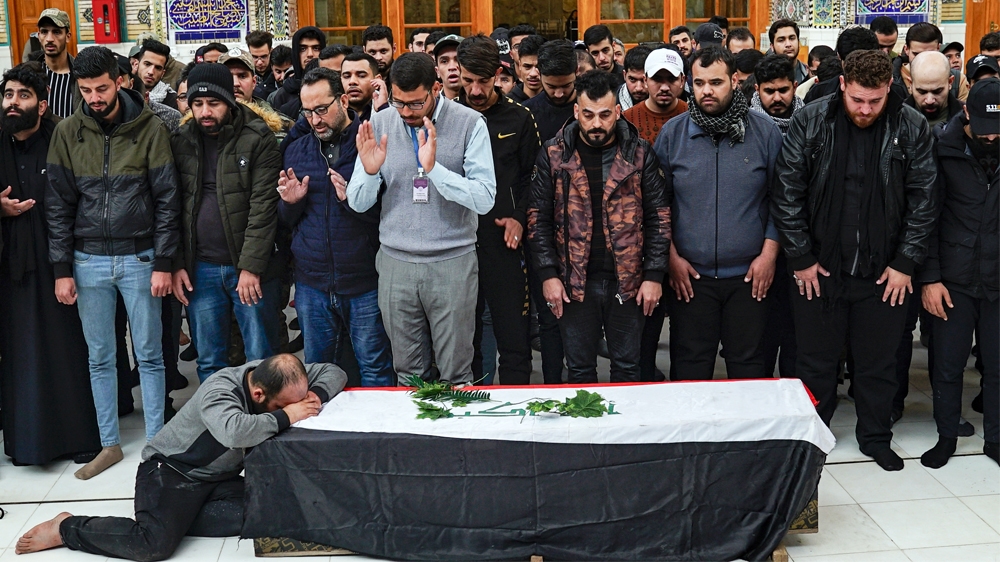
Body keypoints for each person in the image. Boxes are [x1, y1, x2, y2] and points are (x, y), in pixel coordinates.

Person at [772, 50, 937, 472]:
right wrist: (801, 257)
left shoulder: (910, 124)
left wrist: (904, 263)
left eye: (875, 101)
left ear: (889, 91)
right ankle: (813, 436)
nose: (865, 110)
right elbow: (787, 190)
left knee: (878, 363)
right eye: (858, 99)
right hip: (818, 268)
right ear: (843, 84)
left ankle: (876, 437)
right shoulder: (811, 120)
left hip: (884, 271)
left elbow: (924, 201)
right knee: (814, 362)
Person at [14, 354, 347, 561]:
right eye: (280, 405)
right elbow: (234, 431)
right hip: (170, 472)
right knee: (153, 545)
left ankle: (176, 520)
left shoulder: (275, 376)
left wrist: (312, 399)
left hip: (217, 478)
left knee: (273, 509)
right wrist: (289, 415)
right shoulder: (220, 390)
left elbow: (334, 372)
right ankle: (67, 528)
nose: (292, 409)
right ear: (258, 394)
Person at [46, 46, 180, 480]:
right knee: (100, 357)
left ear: (119, 79)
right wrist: (62, 270)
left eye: (101, 88)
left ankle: (157, 442)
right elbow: (58, 205)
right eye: (85, 90)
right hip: (88, 260)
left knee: (151, 355)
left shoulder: (150, 128)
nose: (94, 98)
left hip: (141, 257)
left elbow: (167, 199)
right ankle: (109, 444)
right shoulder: (68, 132)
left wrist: (164, 260)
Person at [346, 53, 496, 384]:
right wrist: (370, 173)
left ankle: (454, 435)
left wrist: (434, 171)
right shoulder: (381, 122)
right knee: (408, 375)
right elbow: (357, 202)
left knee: (456, 374)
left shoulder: (469, 123)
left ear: (436, 89)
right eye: (398, 102)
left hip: (452, 263)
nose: (406, 113)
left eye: (415, 104)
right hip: (395, 264)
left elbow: (485, 199)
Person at [529, 69, 670, 383]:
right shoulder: (554, 155)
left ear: (617, 111)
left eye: (605, 115)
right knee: (579, 370)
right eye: (588, 114)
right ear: (576, 111)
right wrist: (548, 275)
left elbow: (659, 218)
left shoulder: (639, 153)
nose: (596, 123)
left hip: (628, 281)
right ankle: (587, 433)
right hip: (574, 282)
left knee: (628, 368)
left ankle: (625, 433)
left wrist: (654, 275)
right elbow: (538, 220)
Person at [653, 46, 782, 382]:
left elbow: (782, 200)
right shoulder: (673, 135)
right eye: (698, 83)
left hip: (749, 276)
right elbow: (655, 205)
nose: (706, 90)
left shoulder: (765, 132)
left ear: (735, 81)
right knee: (690, 366)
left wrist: (769, 254)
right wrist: (671, 259)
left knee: (748, 366)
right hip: (689, 278)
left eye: (715, 82)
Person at [0, 63, 101, 466]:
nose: (13, 102)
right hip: (11, 267)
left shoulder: (63, 139)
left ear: (42, 105)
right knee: (21, 353)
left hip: (62, 262)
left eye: (23, 95)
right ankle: (27, 445)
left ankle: (79, 437)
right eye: (8, 94)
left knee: (67, 349)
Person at [278, 68, 394, 387]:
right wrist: (291, 202)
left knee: (375, 368)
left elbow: (388, 214)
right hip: (312, 285)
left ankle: (377, 435)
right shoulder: (296, 151)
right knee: (317, 373)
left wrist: (350, 200)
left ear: (343, 101)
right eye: (307, 111)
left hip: (363, 282)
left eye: (321, 109)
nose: (315, 119)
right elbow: (285, 223)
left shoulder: (368, 145)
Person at [170, 63, 282, 383]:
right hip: (199, 269)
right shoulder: (181, 139)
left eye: (214, 103)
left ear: (230, 100)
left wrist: (250, 267)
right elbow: (173, 207)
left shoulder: (258, 137)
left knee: (260, 358)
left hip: (245, 267)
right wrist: (178, 263)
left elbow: (263, 207)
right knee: (209, 361)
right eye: (197, 103)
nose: (205, 112)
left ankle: (264, 425)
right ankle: (217, 425)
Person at [919, 78, 999, 469]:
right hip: (951, 280)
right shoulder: (941, 147)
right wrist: (930, 279)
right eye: (985, 128)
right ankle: (946, 436)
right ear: (966, 113)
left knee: (998, 367)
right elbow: (926, 220)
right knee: (948, 366)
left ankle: (996, 439)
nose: (992, 136)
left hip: (998, 280)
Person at [457, 35, 538, 385]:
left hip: (504, 242)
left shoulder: (519, 118)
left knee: (514, 337)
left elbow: (534, 180)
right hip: (456, 243)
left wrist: (520, 218)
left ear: (499, 75)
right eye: (468, 80)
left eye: (483, 81)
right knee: (465, 340)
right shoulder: (447, 117)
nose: (475, 90)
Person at [623, 47, 688, 144]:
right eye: (657, 79)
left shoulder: (693, 116)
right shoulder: (627, 119)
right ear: (645, 80)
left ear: (682, 80)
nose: (664, 88)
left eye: (672, 79)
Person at [894, 22, 968, 101]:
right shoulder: (891, 79)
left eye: (929, 54)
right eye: (916, 54)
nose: (922, 59)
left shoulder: (958, 80)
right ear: (906, 50)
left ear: (938, 48)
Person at [524, 39, 578, 143]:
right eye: (551, 86)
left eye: (566, 85)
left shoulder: (592, 110)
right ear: (539, 74)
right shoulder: (527, 114)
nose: (558, 94)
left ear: (577, 71)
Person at [269, 26, 326, 116]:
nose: (310, 54)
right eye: (303, 49)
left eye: (316, 48)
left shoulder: (335, 88)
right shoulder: (280, 96)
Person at [36, 8, 78, 118]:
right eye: (44, 32)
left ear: (68, 37)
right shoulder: (29, 74)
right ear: (39, 36)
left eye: (56, 32)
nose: (49, 39)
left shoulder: (81, 75)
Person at [907, 50, 965, 129]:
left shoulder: (968, 116)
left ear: (950, 82)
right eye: (922, 92)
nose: (929, 100)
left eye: (937, 91)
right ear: (910, 84)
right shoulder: (895, 118)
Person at [750, 54, 803, 135]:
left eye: (783, 90)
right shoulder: (747, 125)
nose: (777, 98)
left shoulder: (810, 121)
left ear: (794, 87)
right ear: (757, 89)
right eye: (769, 91)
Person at [341, 52, 387, 121]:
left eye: (361, 76)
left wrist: (383, 110)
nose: (352, 81)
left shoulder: (395, 111)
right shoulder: (330, 111)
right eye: (347, 76)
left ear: (377, 79)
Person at [135, 39, 178, 110]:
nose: (151, 72)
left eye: (158, 68)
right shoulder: (123, 94)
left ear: (163, 73)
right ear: (136, 64)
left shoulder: (172, 100)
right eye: (147, 64)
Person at [768, 19, 809, 84]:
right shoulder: (764, 75)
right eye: (781, 40)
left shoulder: (809, 74)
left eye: (792, 38)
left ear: (798, 42)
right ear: (772, 46)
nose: (788, 44)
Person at [509, 35, 545, 103]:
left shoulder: (556, 100)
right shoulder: (507, 104)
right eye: (527, 67)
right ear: (519, 65)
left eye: (539, 67)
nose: (533, 74)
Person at [247, 30, 278, 100]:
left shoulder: (280, 72)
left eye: (264, 56)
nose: (259, 62)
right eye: (255, 57)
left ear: (271, 51)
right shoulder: (245, 73)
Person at [618, 46, 650, 111]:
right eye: (632, 79)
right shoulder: (611, 101)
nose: (639, 88)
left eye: (644, 80)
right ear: (624, 75)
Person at [433, 35, 464, 101]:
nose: (452, 67)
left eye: (459, 60)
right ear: (437, 71)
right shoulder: (431, 106)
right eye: (444, 61)